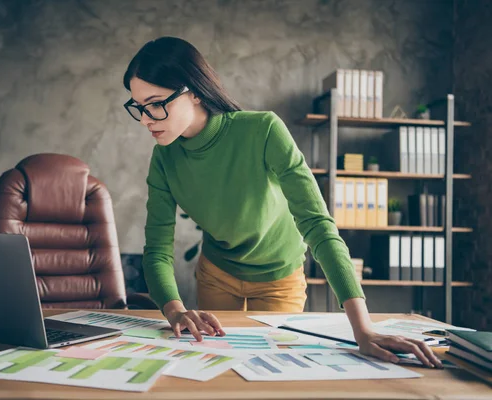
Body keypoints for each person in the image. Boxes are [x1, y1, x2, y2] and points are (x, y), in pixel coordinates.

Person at [122, 36, 442, 368]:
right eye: (138, 107)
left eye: (156, 103)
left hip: (279, 276)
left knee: (274, 369)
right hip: (217, 272)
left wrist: (363, 329)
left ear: (196, 91)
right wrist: (176, 310)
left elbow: (318, 225)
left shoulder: (263, 130)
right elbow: (158, 248)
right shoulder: (164, 157)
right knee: (218, 368)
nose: (146, 119)